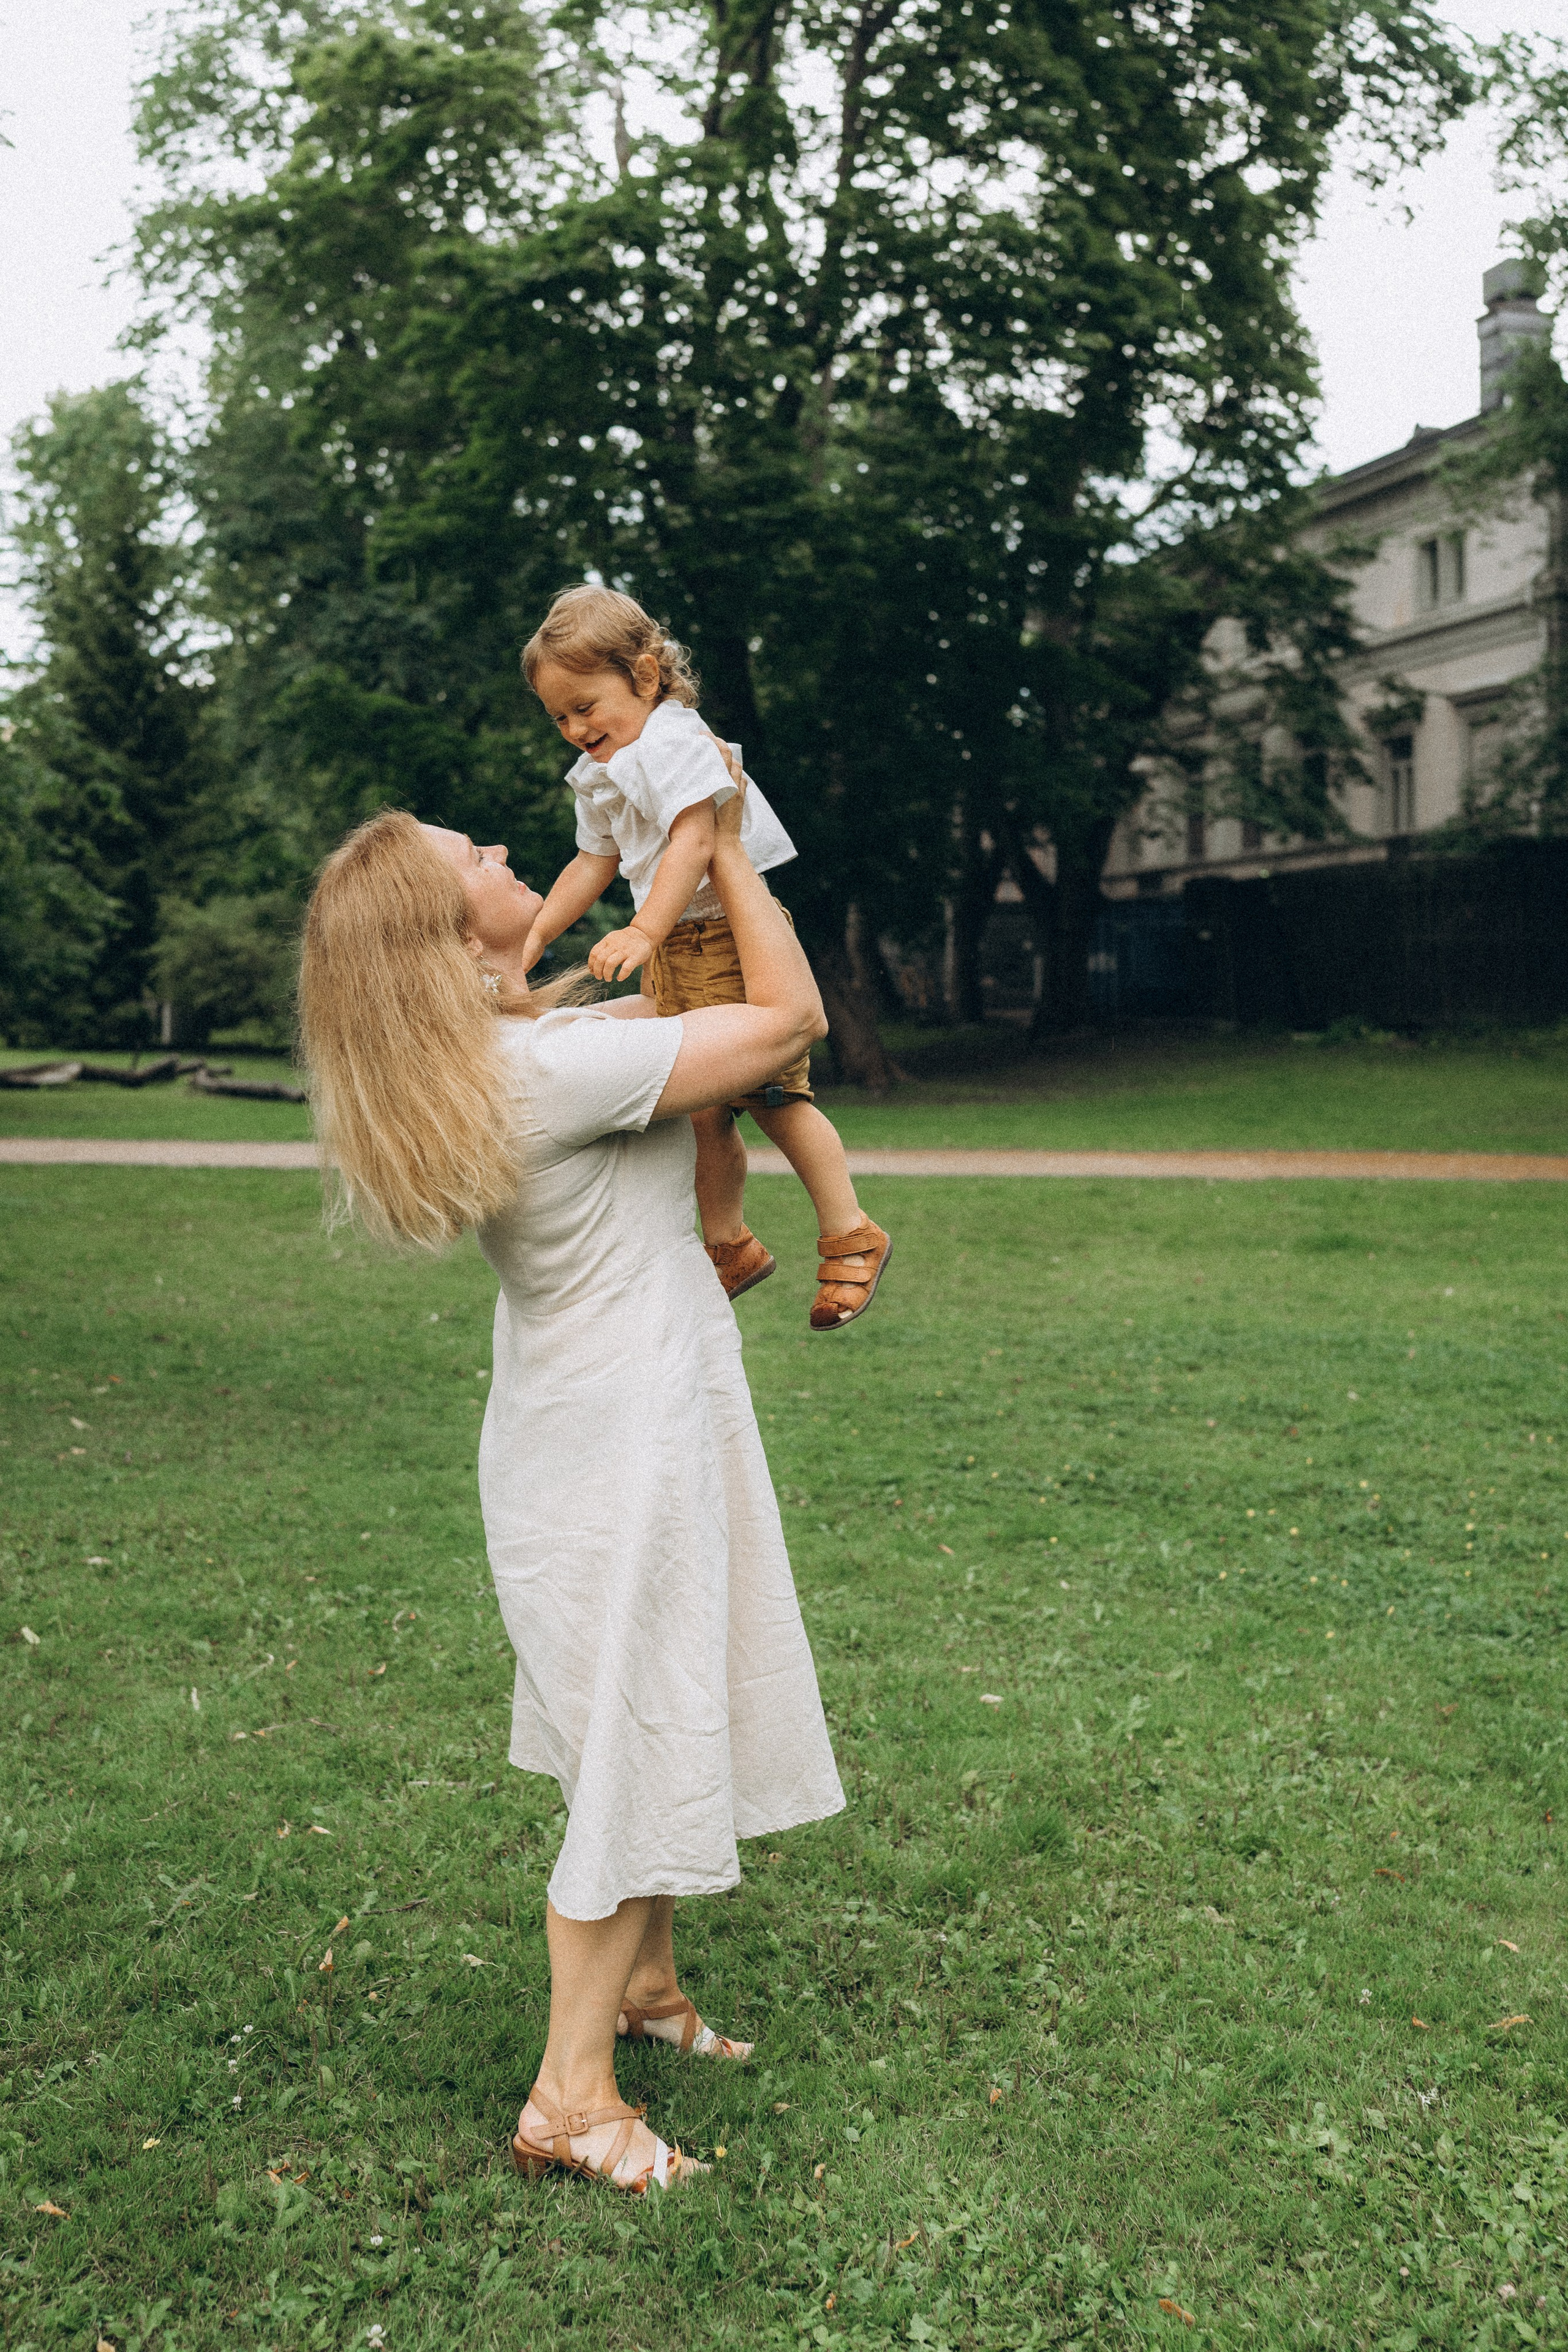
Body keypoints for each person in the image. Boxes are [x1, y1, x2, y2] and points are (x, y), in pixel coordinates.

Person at [296, 779, 846, 2196]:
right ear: (443, 928)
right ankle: (570, 2097)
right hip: (616, 1438)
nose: (500, 849)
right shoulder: (541, 1071)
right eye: (472, 855)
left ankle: (647, 1990)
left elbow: (649, 1005)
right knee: (631, 1742)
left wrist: (679, 864)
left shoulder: (515, 1043)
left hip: (614, 1414)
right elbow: (785, 1026)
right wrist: (717, 840)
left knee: (662, 1700)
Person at [519, 583, 892, 1333]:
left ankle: (851, 1230)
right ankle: (730, 1243)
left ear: (648, 677)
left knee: (775, 1098)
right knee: (701, 1105)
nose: (572, 727)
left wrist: (644, 932)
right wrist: (529, 939)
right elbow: (592, 861)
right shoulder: (603, 767)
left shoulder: (674, 738)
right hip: (678, 945)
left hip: (728, 934)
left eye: (585, 706)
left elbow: (697, 838)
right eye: (558, 715)